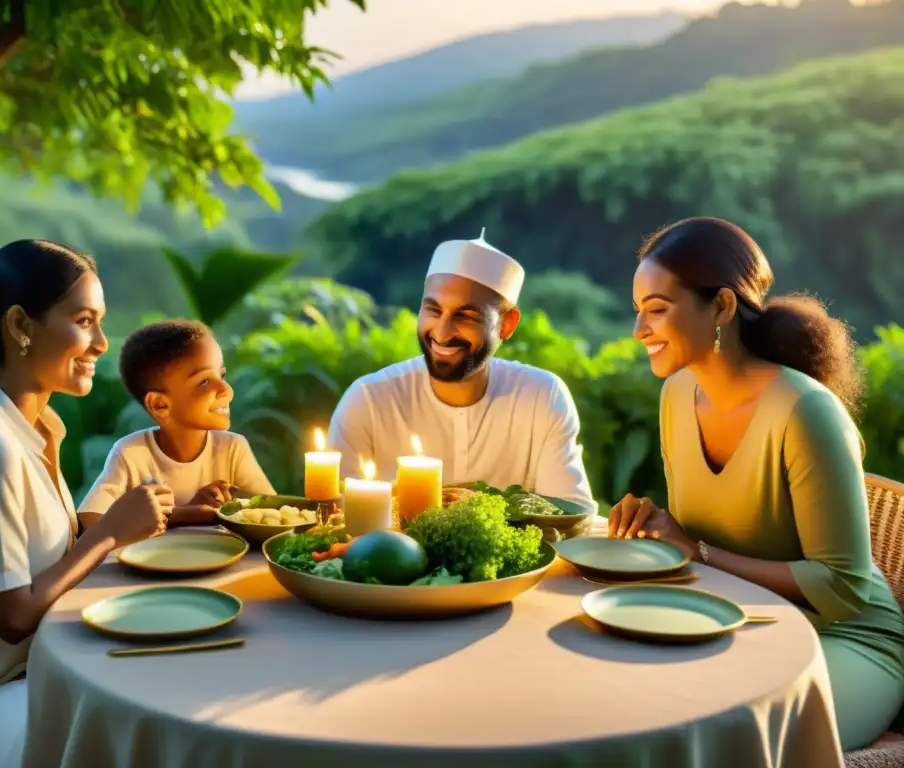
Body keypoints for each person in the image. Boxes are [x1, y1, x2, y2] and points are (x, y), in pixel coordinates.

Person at [611, 216, 904, 751]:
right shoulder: (677, 396)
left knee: (727, 732)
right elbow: (701, 537)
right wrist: (659, 529)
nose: (639, 332)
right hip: (745, 623)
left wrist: (697, 552)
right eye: (638, 312)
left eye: (657, 310)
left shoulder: (805, 411)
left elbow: (842, 589)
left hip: (843, 640)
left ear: (721, 307)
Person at [0, 241, 175, 767]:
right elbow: (15, 615)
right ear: (21, 325)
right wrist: (109, 533)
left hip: (30, 678)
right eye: (85, 320)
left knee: (162, 688)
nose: (100, 342)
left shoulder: (37, 430)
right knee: (140, 727)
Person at [328, 231, 595, 508]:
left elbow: (570, 514)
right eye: (433, 310)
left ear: (507, 324)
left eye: (465, 316)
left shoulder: (542, 396)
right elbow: (337, 517)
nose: (442, 333)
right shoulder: (368, 400)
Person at [78, 319, 276, 525]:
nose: (226, 389)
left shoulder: (233, 448)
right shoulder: (131, 453)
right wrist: (186, 513)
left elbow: (273, 510)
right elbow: (89, 519)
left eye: (222, 375)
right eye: (204, 381)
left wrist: (227, 507)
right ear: (160, 404)